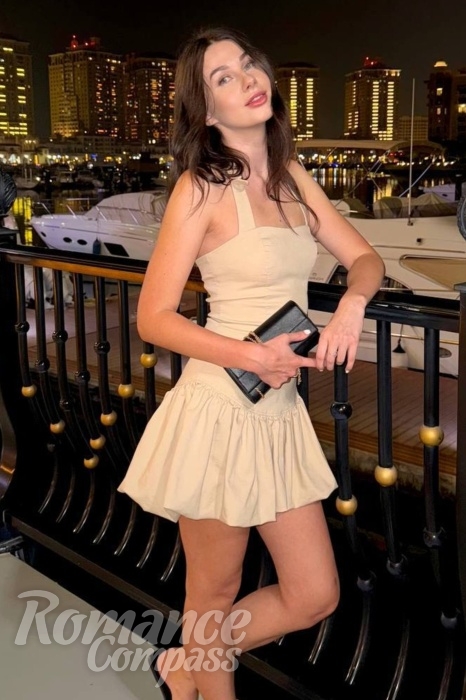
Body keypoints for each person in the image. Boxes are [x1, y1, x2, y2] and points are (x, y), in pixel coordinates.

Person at [118, 26, 385, 700]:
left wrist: (351, 305)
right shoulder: (200, 188)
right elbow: (154, 317)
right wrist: (251, 354)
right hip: (219, 408)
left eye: (247, 65)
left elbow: (365, 257)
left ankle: (187, 664)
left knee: (314, 594)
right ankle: (198, 671)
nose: (247, 80)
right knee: (213, 592)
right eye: (223, 78)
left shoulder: (293, 176)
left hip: (278, 410)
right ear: (208, 112)